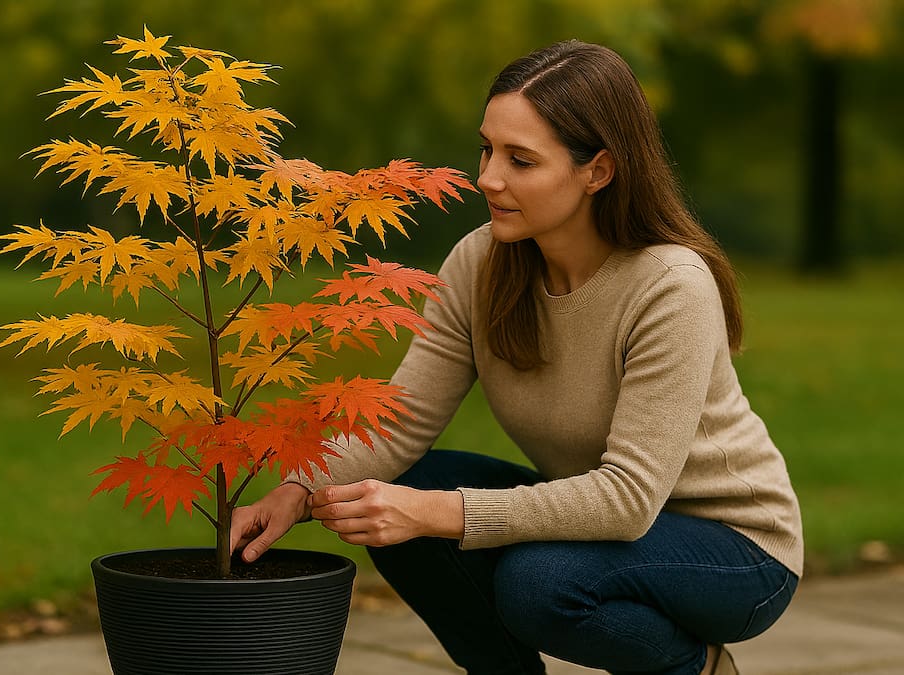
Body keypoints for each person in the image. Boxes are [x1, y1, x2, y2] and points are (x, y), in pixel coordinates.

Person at [230, 39, 802, 675]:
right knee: (395, 492)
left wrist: (438, 514)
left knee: (538, 581)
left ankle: (693, 668)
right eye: (488, 149)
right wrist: (298, 489)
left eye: (521, 160)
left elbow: (628, 498)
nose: (488, 178)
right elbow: (400, 422)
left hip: (736, 553)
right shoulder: (482, 262)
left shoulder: (670, 286)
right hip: (603, 526)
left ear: (598, 171)